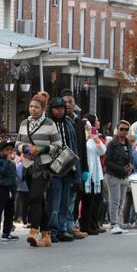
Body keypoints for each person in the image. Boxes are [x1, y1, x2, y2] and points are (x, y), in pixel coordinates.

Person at [16, 91, 62, 247]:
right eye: (31, 106)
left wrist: (41, 149)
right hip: (28, 165)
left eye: (36, 107)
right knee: (39, 201)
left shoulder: (50, 124)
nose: (33, 109)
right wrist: (28, 148)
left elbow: (58, 146)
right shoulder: (24, 124)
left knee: (35, 197)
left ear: (43, 109)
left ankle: (33, 231)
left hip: (43, 166)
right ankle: (46, 234)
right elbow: (17, 145)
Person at [47, 97, 78, 242]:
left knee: (65, 201)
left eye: (62, 108)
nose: (59, 110)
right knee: (54, 201)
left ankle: (62, 228)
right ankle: (52, 230)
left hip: (68, 167)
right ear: (51, 109)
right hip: (53, 168)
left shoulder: (69, 124)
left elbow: (75, 146)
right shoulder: (47, 124)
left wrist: (78, 170)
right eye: (56, 107)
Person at [62, 90, 89, 239]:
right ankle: (63, 226)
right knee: (64, 198)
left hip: (77, 165)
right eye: (65, 102)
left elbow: (82, 148)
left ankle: (71, 225)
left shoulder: (79, 122)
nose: (68, 105)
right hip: (63, 165)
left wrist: (85, 168)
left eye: (71, 102)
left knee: (74, 197)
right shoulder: (57, 121)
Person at [103, 120, 134, 235]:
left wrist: (130, 166)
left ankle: (117, 223)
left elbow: (131, 158)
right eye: (121, 129)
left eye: (126, 129)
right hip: (113, 175)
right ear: (117, 130)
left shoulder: (128, 144)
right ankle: (113, 223)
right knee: (114, 200)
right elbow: (107, 161)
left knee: (121, 200)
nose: (124, 131)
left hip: (124, 176)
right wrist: (122, 169)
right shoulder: (112, 144)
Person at [80, 114, 106, 236]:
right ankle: (85, 225)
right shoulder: (83, 138)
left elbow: (102, 151)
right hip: (86, 173)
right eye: (96, 121)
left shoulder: (94, 138)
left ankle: (93, 223)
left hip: (96, 174)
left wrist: (96, 140)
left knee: (96, 201)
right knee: (87, 201)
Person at [0, 140, 19, 241]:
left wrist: (15, 192)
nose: (10, 152)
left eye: (11, 150)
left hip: (11, 189)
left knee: (9, 212)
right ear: (1, 151)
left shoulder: (11, 163)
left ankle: (7, 232)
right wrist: (8, 161)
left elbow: (14, 178)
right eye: (7, 150)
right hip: (1, 189)